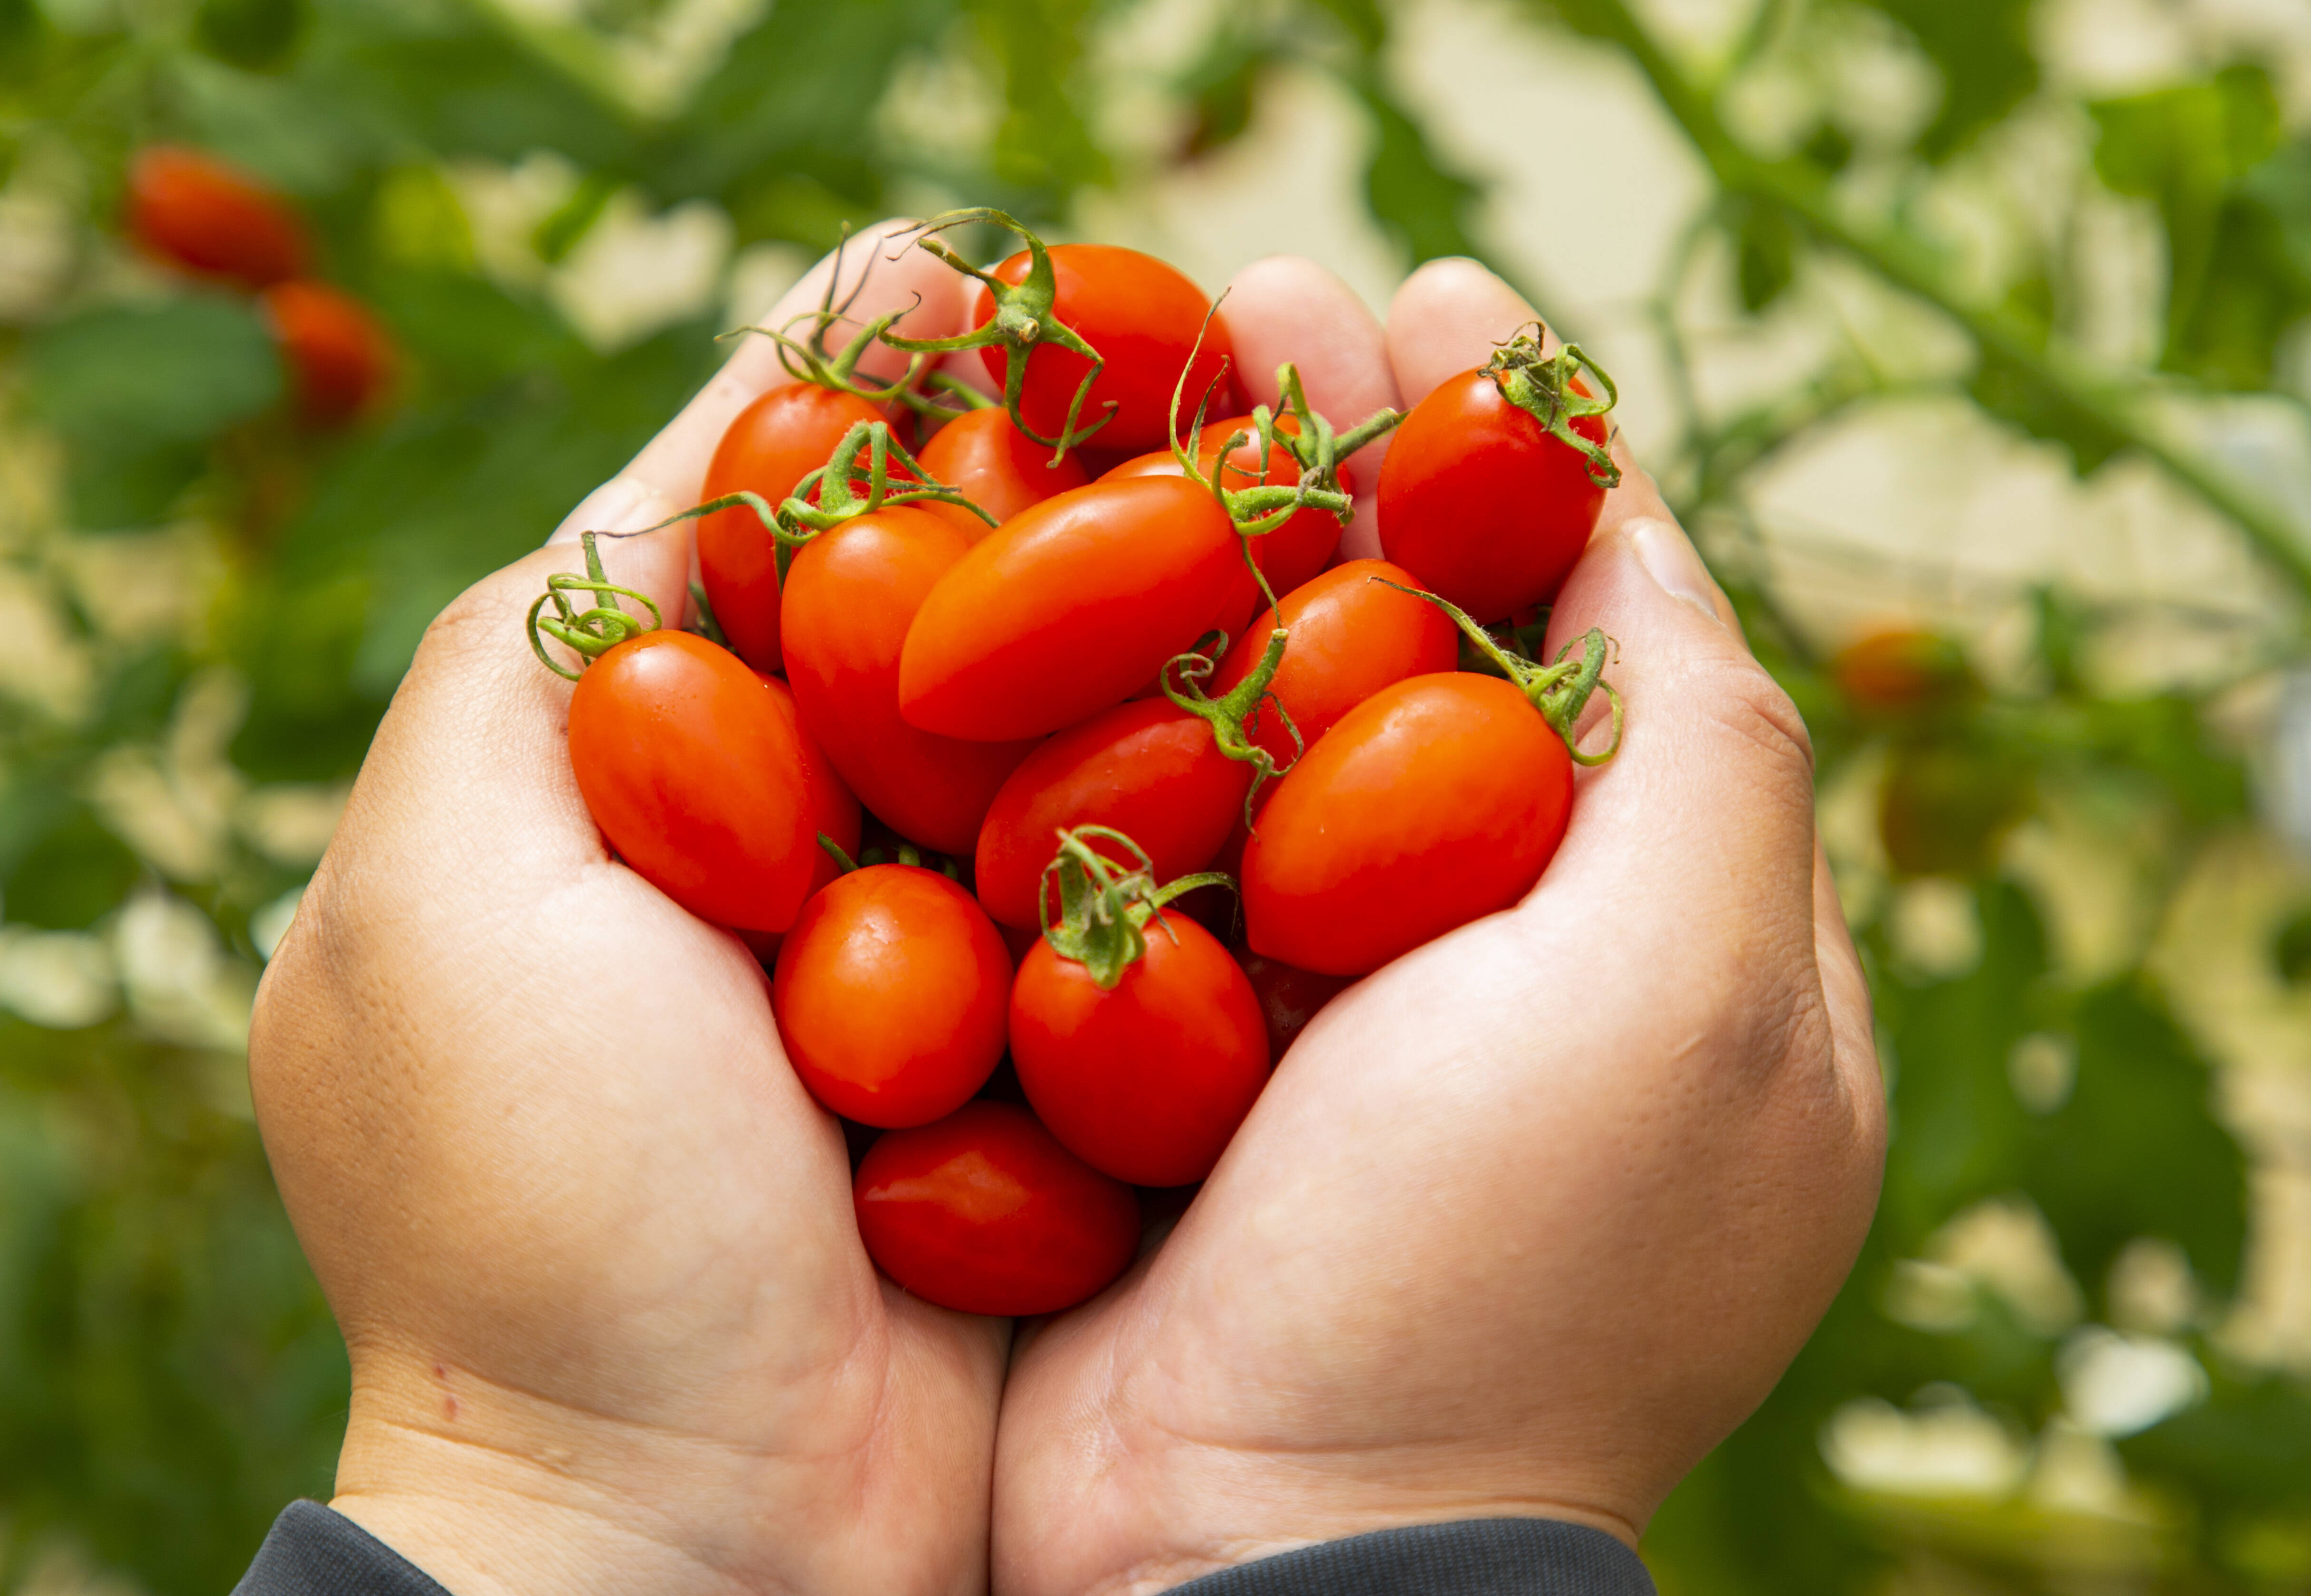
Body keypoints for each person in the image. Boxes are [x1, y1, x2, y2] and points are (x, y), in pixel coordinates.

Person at [238, 225, 1885, 1596]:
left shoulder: (1232, 673)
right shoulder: (1217, 664)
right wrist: (1369, 1506)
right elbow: (987, 747)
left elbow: (1018, 768)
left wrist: (570, 1491)